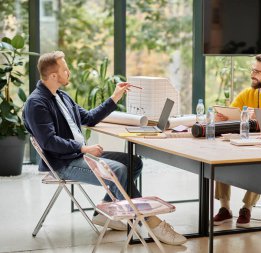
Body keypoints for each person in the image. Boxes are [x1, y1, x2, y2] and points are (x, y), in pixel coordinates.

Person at [23, 51, 187, 246]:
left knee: (133, 162)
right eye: (65, 70)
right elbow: (49, 142)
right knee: (118, 170)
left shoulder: (61, 97)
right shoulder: (36, 103)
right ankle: (151, 221)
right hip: (63, 162)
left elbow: (89, 118)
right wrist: (84, 149)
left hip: (77, 154)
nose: (69, 73)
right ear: (53, 76)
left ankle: (103, 212)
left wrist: (114, 97)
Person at [213, 53, 261, 228]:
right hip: (244, 143)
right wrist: (223, 118)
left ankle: (247, 208)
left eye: (257, 71)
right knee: (220, 157)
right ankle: (224, 208)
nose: (252, 74)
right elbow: (232, 115)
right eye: (252, 69)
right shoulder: (248, 93)